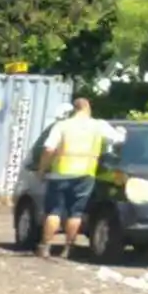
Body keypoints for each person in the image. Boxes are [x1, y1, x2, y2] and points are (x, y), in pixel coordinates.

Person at [35, 98, 121, 258]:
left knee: (54, 211)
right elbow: (118, 140)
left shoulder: (62, 125)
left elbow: (48, 148)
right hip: (85, 174)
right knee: (76, 212)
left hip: (60, 173)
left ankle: (45, 246)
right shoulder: (99, 125)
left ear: (74, 109)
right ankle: (68, 248)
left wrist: (42, 169)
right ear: (88, 108)